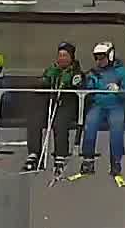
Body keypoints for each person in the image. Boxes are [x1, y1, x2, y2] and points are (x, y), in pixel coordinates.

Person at [75, 40, 125, 186]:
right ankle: (88, 160)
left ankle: (116, 161)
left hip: (116, 104)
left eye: (102, 57)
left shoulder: (122, 72)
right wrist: (81, 82)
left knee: (116, 126)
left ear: (110, 55)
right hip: (99, 104)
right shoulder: (95, 72)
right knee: (90, 123)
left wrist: (119, 90)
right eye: (96, 57)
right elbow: (89, 86)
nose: (98, 60)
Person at [32, 42, 85, 174]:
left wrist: (71, 83)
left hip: (68, 103)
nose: (62, 58)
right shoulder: (52, 69)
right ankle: (34, 153)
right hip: (51, 100)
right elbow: (43, 81)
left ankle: (60, 155)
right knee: (35, 119)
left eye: (65, 55)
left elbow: (80, 85)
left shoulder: (76, 72)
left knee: (60, 123)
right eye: (60, 55)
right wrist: (45, 80)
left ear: (71, 57)